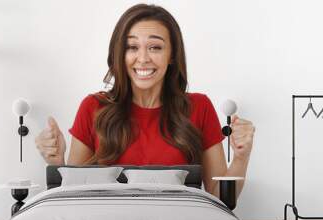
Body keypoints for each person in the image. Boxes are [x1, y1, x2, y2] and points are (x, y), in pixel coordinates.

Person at [35, 4, 255, 199]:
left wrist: (241, 158)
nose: (143, 58)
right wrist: (56, 163)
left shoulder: (200, 107)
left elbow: (221, 197)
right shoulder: (92, 107)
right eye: (132, 47)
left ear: (172, 56)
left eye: (155, 47)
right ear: (120, 54)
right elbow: (75, 197)